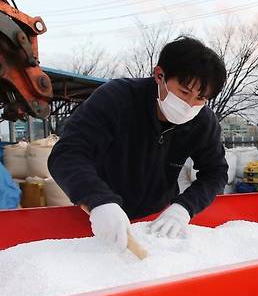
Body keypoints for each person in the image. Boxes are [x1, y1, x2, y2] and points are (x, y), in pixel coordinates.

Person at [49, 36, 228, 251]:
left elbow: (215, 171)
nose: (190, 105)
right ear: (159, 75)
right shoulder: (117, 98)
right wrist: (98, 201)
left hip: (157, 222)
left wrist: (183, 208)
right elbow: (68, 153)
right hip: (99, 216)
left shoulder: (202, 121)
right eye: (184, 92)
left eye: (201, 98)